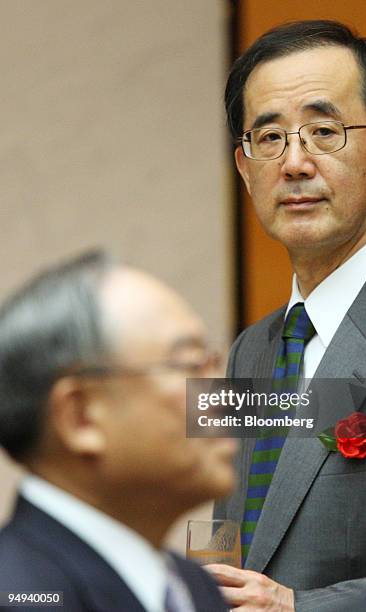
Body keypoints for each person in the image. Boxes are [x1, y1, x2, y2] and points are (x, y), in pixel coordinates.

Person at [210, 19, 366, 611]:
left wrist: (299, 608)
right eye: (270, 138)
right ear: (244, 167)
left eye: (324, 131)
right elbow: (224, 534)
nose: (294, 163)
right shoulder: (252, 348)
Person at [0, 250, 234, 612]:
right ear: (81, 417)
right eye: (189, 365)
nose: (222, 397)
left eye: (212, 364)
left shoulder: (195, 587)